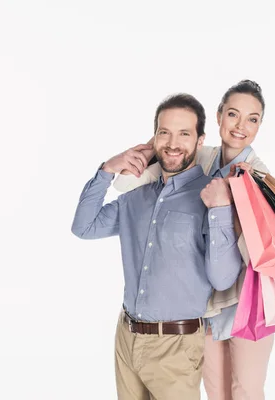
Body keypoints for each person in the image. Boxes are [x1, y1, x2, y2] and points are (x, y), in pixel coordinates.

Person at [71, 93, 244, 400]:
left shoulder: (212, 197)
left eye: (184, 134)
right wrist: (107, 170)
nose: (173, 143)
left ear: (200, 140)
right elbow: (84, 227)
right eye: (165, 132)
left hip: (176, 347)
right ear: (154, 138)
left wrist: (219, 212)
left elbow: (222, 279)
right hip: (127, 337)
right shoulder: (137, 198)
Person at [113, 80, 274, 400]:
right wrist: (154, 147)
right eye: (233, 114)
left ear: (259, 126)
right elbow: (123, 186)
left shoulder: (259, 177)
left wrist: (233, 201)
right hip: (207, 307)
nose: (241, 126)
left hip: (249, 302)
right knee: (216, 392)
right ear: (217, 117)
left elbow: (257, 253)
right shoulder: (200, 158)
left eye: (252, 119)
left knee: (245, 392)